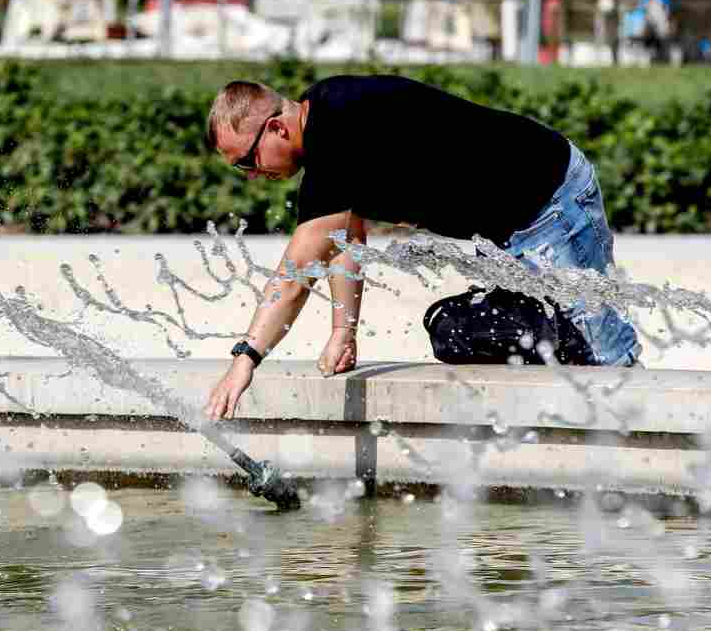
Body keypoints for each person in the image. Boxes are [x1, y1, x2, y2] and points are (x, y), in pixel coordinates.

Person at [202, 74, 641, 421]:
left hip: (551, 201)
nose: (252, 176)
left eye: (247, 161)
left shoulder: (337, 131)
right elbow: (346, 241)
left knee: (605, 359)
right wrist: (343, 332)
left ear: (276, 127)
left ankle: (640, 465)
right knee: (454, 330)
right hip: (502, 236)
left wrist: (246, 359)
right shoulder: (327, 128)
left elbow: (294, 276)